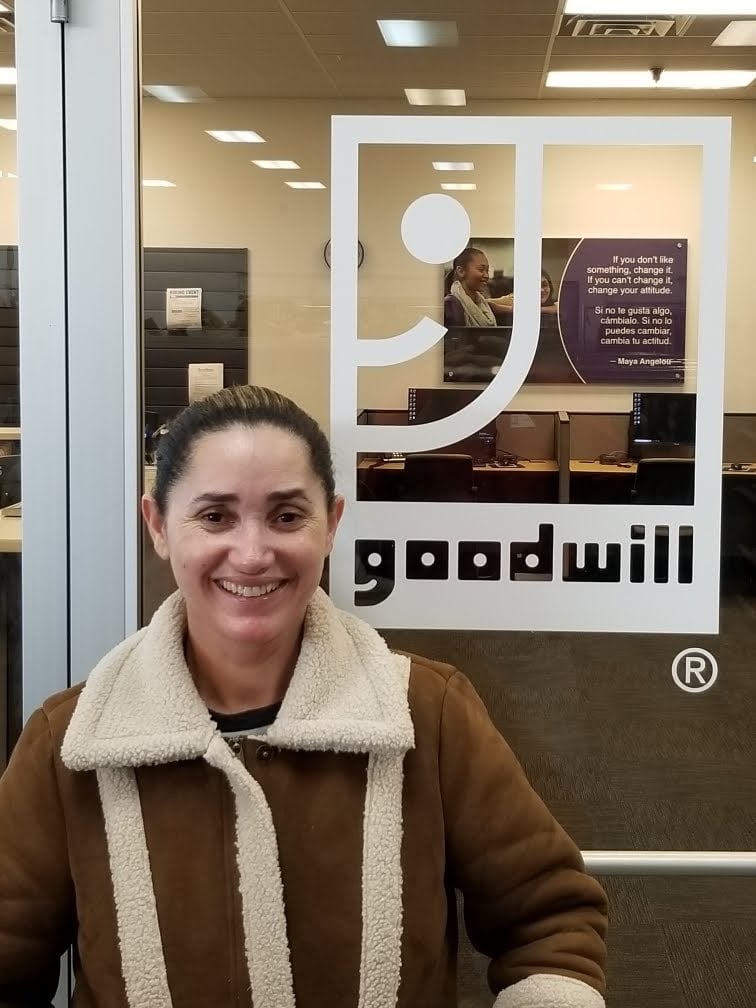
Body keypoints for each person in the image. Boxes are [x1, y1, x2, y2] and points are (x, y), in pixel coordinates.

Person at [0, 384, 608, 1007]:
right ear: (158, 525)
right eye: (215, 516)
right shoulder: (71, 743)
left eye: (287, 516)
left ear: (332, 525)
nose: (253, 553)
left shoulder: (427, 713)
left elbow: (550, 921)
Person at [444, 247, 497, 327]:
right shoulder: (451, 304)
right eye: (481, 270)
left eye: (487, 270)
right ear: (461, 272)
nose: (486, 276)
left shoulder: (480, 302)